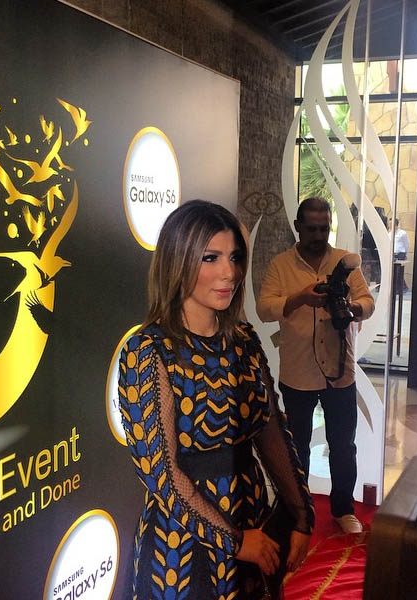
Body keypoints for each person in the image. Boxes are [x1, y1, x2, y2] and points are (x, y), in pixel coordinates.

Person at [118, 200, 314, 599]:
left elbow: (271, 432)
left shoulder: (243, 340)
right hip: (182, 542)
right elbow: (161, 475)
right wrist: (236, 541)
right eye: (211, 258)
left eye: (234, 257)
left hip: (254, 519)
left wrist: (301, 514)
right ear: (178, 261)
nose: (230, 272)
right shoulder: (148, 351)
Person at [257, 196, 374, 534]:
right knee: (297, 448)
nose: (319, 235)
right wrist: (301, 298)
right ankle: (299, 512)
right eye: (312, 229)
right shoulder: (281, 265)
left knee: (343, 445)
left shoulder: (344, 262)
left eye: (324, 228)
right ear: (298, 226)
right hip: (298, 371)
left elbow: (367, 302)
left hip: (340, 371)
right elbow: (265, 309)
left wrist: (351, 309)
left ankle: (343, 509)